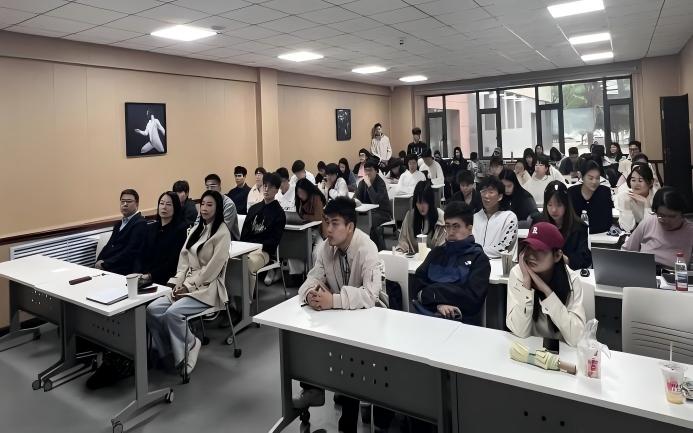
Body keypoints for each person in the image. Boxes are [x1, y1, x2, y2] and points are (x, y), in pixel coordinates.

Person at [294, 197, 382, 433]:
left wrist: (332, 300)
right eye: (326, 222)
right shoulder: (326, 248)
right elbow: (313, 277)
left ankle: (348, 424)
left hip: (369, 316)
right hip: (341, 313)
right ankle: (313, 388)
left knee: (353, 350)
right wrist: (311, 294)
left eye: (335, 223)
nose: (328, 229)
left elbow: (370, 295)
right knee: (309, 329)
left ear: (350, 226)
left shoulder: (367, 248)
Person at [147, 190, 231, 376]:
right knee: (152, 310)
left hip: (207, 288)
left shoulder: (222, 233)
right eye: (203, 204)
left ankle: (191, 343)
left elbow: (212, 269)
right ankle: (166, 350)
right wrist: (177, 282)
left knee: (173, 313)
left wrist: (189, 286)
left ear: (218, 208)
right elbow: (184, 260)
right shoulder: (196, 229)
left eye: (210, 205)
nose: (204, 208)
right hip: (187, 284)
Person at [506, 222, 586, 347]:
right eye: (529, 247)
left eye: (539, 249)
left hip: (563, 352)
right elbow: (519, 331)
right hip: (529, 349)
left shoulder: (572, 280)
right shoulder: (518, 274)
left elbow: (576, 338)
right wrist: (526, 285)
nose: (531, 255)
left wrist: (547, 292)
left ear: (557, 255)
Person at [413, 200, 490, 326]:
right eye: (447, 226)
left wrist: (433, 292)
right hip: (428, 315)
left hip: (461, 323)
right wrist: (439, 304)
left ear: (469, 229)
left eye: (456, 226)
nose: (451, 231)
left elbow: (473, 300)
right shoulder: (436, 252)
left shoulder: (479, 259)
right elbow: (417, 284)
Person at [622, 187, 693, 266]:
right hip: (647, 270)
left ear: (682, 214)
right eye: (661, 215)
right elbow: (627, 250)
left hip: (676, 272)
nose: (666, 221)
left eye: (672, 216)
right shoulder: (649, 222)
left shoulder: (690, 231)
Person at [241, 173, 287, 289]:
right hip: (247, 248)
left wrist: (254, 246)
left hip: (264, 252)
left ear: (277, 190)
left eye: (270, 187)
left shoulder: (279, 213)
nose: (266, 189)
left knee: (247, 264)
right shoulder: (253, 209)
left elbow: (273, 241)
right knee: (230, 261)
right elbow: (244, 234)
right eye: (265, 186)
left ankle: (246, 297)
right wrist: (246, 247)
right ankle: (231, 296)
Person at [136, 191, 188, 286]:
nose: (164, 207)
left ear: (175, 207)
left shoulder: (180, 230)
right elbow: (140, 253)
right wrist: (138, 272)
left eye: (168, 204)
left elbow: (173, 262)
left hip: (164, 279)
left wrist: (150, 275)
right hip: (143, 277)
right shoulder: (151, 227)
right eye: (161, 203)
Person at [95, 189, 147, 274]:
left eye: (129, 201)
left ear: (137, 204)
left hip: (123, 269)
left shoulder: (140, 223)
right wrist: (98, 261)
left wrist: (105, 264)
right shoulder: (119, 224)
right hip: (109, 266)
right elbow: (109, 245)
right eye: (123, 201)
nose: (125, 204)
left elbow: (130, 251)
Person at [541, 181, 591, 270]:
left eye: (559, 205)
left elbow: (584, 259)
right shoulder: (539, 224)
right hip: (544, 271)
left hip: (570, 273)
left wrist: (565, 259)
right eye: (549, 204)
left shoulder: (579, 227)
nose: (554, 210)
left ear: (566, 205)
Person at [288, 179, 327, 279]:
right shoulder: (299, 200)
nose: (300, 195)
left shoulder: (316, 197)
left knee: (317, 252)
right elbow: (298, 216)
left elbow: (318, 218)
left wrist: (304, 217)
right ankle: (297, 274)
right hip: (304, 231)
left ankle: (315, 277)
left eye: (302, 192)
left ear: (307, 191)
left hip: (318, 231)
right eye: (298, 192)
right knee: (292, 250)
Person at [472, 177, 518, 259]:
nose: (486, 196)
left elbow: (505, 246)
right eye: (483, 191)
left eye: (491, 192)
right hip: (474, 262)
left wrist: (475, 251)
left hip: (498, 263)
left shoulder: (509, 217)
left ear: (500, 196)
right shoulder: (475, 217)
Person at [396, 181, 446, 254]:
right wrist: (399, 253)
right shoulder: (410, 216)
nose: (421, 206)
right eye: (419, 202)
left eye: (425, 202)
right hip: (414, 259)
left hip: (434, 259)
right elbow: (403, 243)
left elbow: (442, 248)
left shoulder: (440, 217)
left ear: (430, 202)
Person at [355, 158, 392, 251]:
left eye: (370, 170)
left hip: (382, 213)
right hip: (368, 212)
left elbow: (376, 201)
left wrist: (369, 186)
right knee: (355, 220)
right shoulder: (362, 183)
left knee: (370, 223)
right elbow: (357, 199)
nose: (367, 173)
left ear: (376, 171)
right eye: (366, 170)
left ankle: (377, 250)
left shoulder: (380, 183)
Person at [568, 160, 614, 234]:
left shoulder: (605, 192)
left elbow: (608, 221)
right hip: (577, 235)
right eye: (590, 178)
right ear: (582, 177)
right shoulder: (572, 192)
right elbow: (569, 220)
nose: (594, 182)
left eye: (597, 178)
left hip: (601, 235)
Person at [615, 163, 657, 232]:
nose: (636, 184)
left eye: (640, 180)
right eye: (633, 180)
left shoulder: (656, 196)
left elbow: (650, 227)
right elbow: (628, 228)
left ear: (651, 182)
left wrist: (646, 203)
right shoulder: (624, 196)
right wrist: (626, 202)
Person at [204, 174, 240, 241]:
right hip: (208, 238)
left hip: (228, 240)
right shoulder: (205, 203)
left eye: (212, 186)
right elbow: (198, 223)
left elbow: (224, 229)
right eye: (207, 187)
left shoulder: (228, 204)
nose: (209, 190)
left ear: (220, 187)